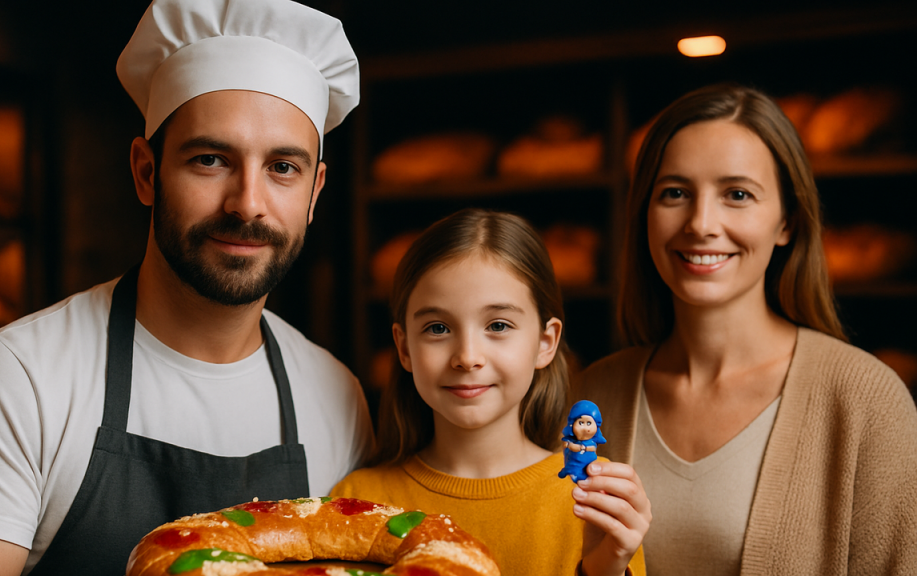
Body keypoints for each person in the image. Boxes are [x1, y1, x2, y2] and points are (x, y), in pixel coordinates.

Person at [0, 0, 374, 574]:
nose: (247, 203)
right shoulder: (16, 381)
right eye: (210, 159)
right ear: (146, 172)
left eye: (282, 168)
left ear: (314, 192)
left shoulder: (337, 397)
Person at [575, 83, 917, 576]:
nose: (701, 223)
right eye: (675, 193)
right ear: (644, 213)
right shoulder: (592, 395)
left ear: (787, 222)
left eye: (737, 194)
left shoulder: (867, 402)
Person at [332, 209, 650, 576]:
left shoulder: (596, 498)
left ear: (545, 342)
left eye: (498, 325)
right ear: (404, 348)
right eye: (437, 328)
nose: (467, 357)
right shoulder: (355, 504)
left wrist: (603, 569)